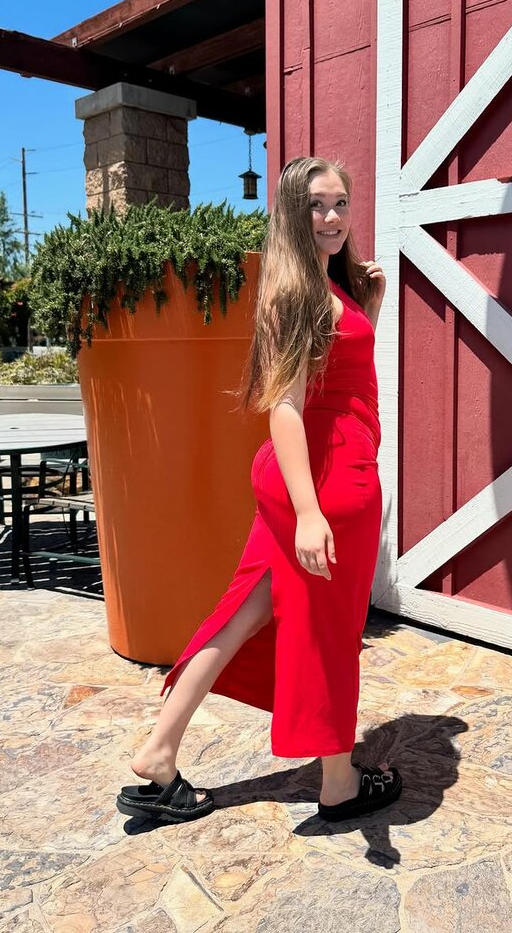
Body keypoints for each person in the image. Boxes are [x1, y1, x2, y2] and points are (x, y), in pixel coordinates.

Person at [116, 156, 402, 825]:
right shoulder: (297, 294)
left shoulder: (320, 288)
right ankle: (338, 783)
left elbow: (342, 377)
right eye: (316, 205)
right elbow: (288, 406)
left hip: (310, 474)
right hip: (324, 481)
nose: (331, 217)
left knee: (243, 614)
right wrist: (309, 512)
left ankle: (159, 751)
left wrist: (369, 310)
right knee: (329, 631)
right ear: (292, 213)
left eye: (340, 203)